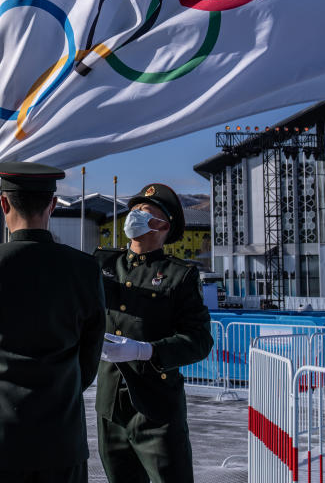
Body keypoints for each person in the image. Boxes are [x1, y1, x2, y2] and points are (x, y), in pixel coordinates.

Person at [0, 161, 106, 483]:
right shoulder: (84, 270)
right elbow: (89, 356)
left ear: (3, 204)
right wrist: (62, 386)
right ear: (52, 205)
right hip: (61, 441)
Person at [94, 183, 214, 483]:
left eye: (144, 213)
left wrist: (145, 351)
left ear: (163, 225)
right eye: (133, 210)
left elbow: (199, 341)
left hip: (157, 412)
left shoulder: (179, 275)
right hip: (110, 410)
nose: (133, 216)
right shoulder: (103, 264)